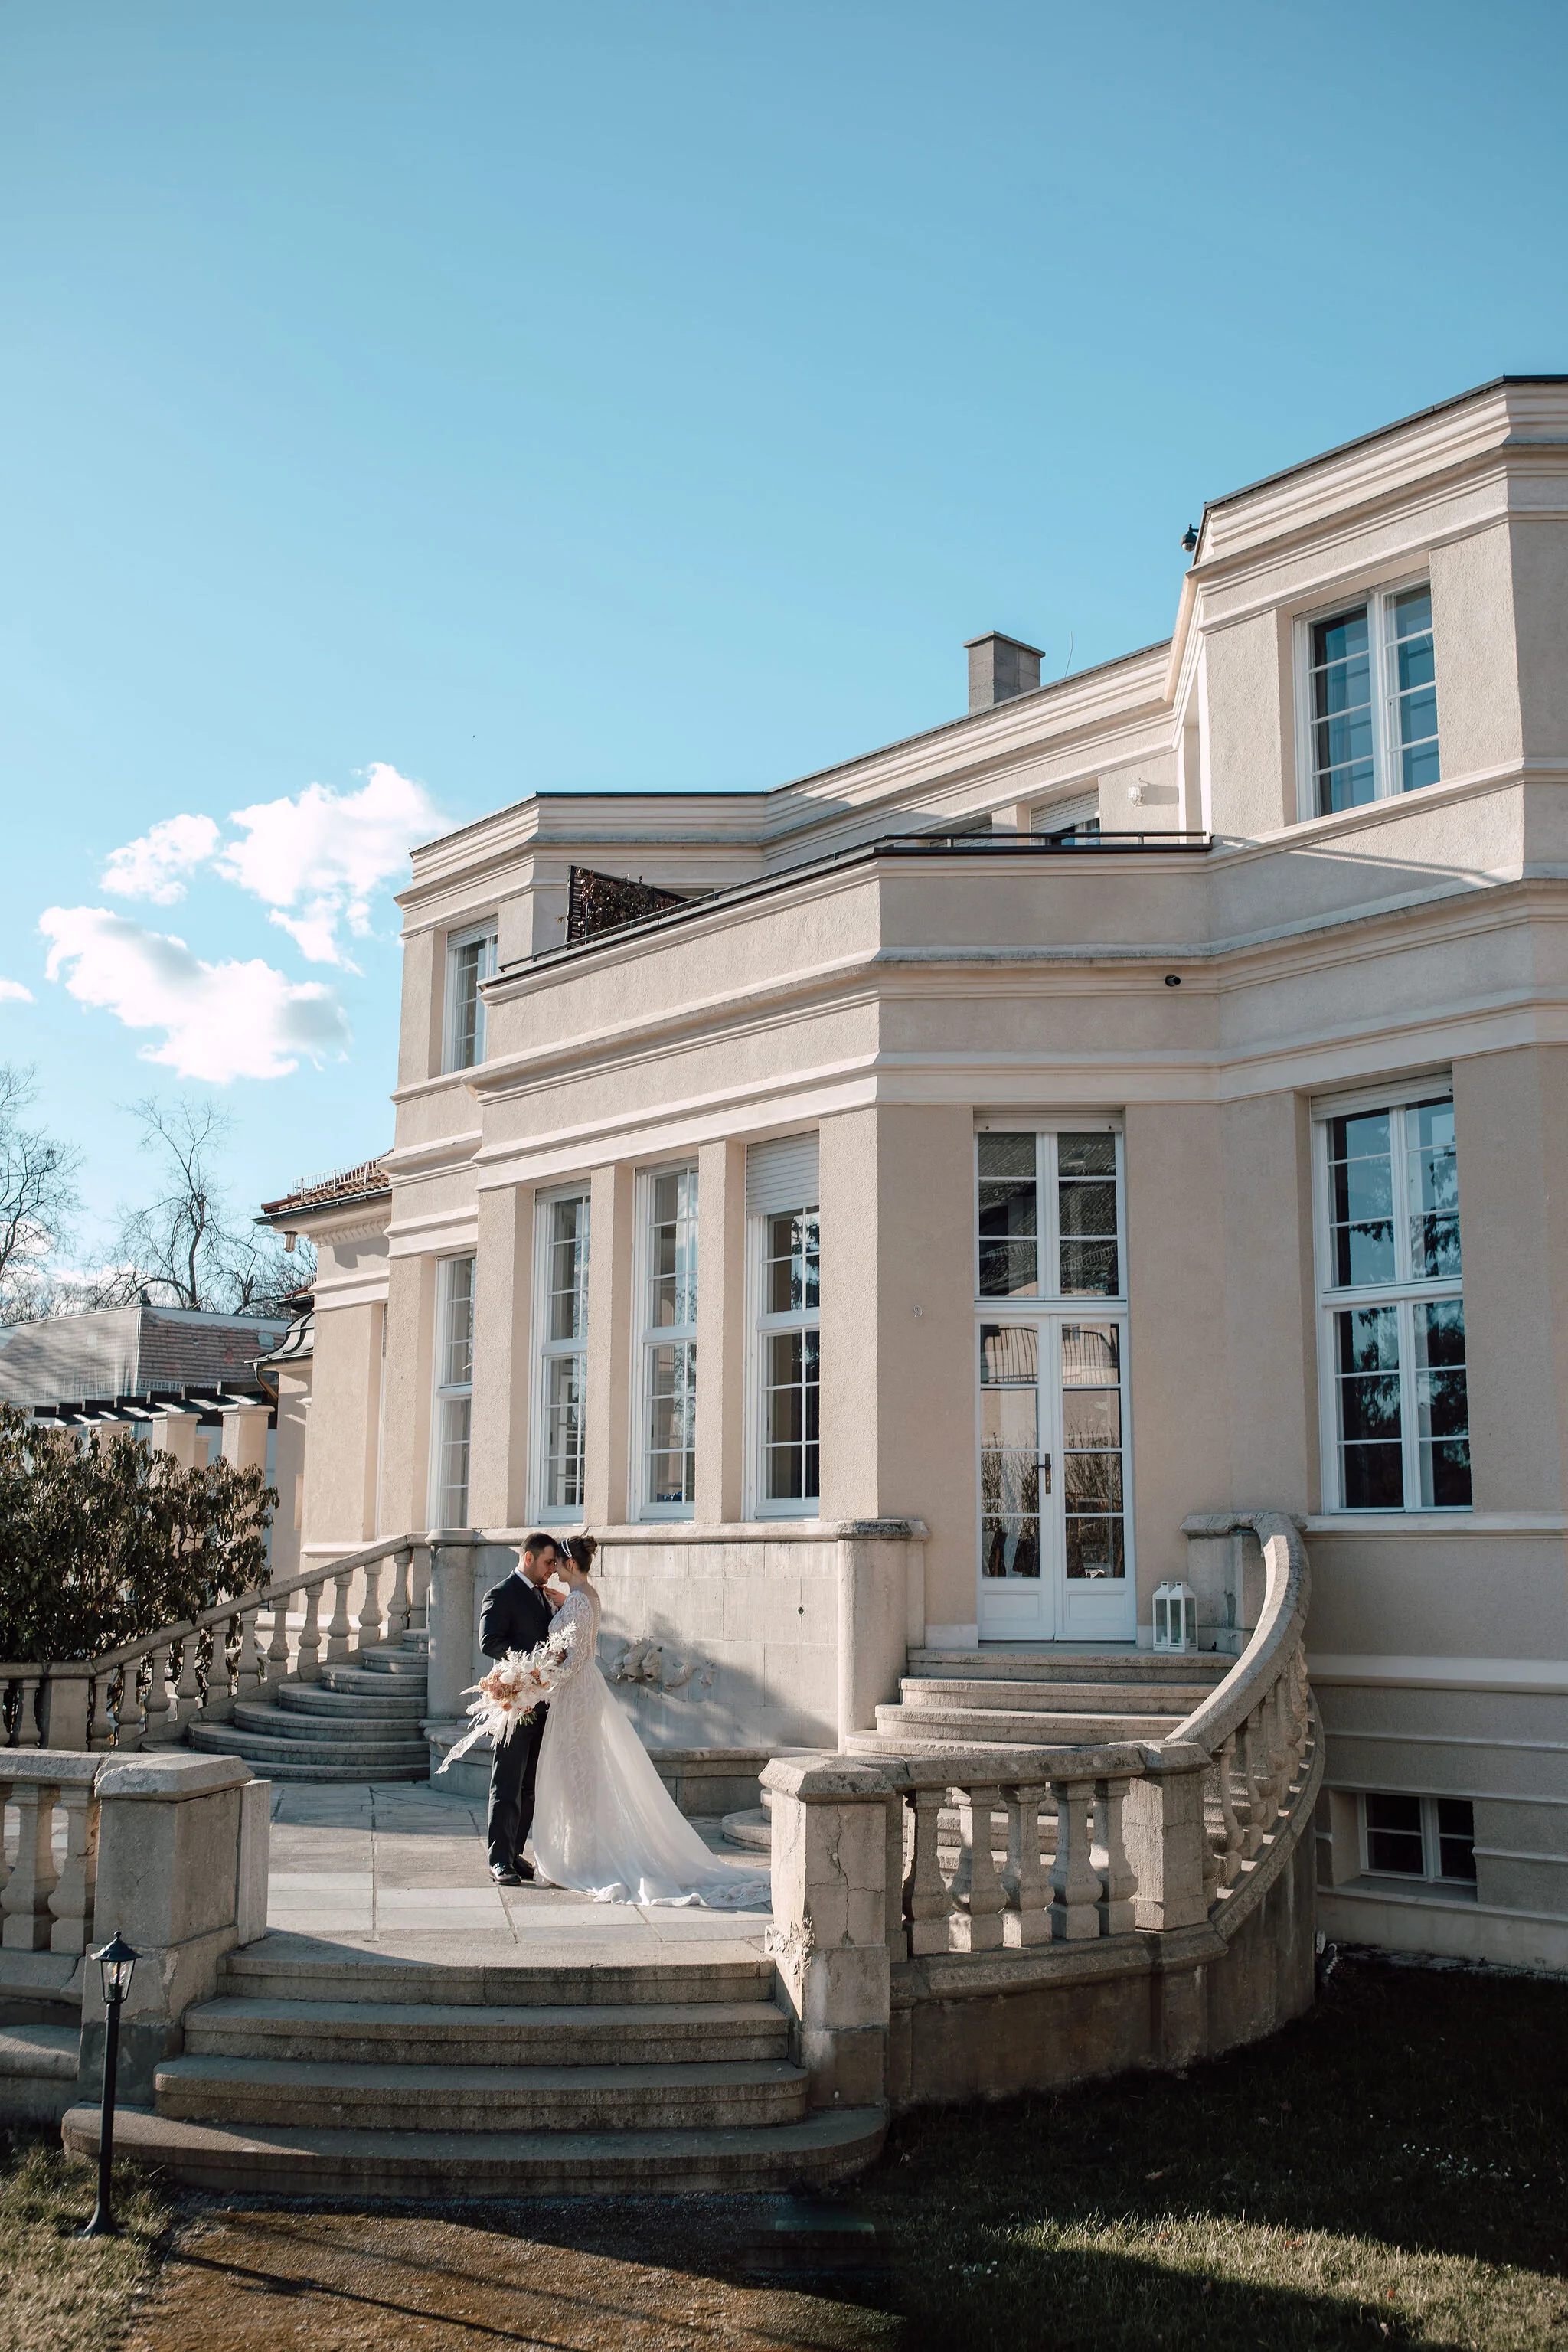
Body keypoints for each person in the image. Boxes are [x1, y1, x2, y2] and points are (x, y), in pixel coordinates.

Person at [528, 1534, 772, 1909]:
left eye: (557, 1564)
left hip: (574, 1694)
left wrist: (542, 1678)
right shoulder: (587, 1597)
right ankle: (585, 1850)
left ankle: (582, 1857)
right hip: (584, 1691)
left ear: (569, 1565)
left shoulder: (577, 1601)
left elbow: (574, 1658)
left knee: (574, 1773)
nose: (554, 1570)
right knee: (583, 1774)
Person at [478, 1530, 561, 1886]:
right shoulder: (501, 1593)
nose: (552, 1570)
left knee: (529, 1785)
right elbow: (489, 1642)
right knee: (507, 1782)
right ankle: (499, 1859)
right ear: (528, 1558)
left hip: (542, 1703)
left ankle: (514, 1853)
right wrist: (529, 1667)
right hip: (515, 1702)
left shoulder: (544, 1598)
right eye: (548, 1562)